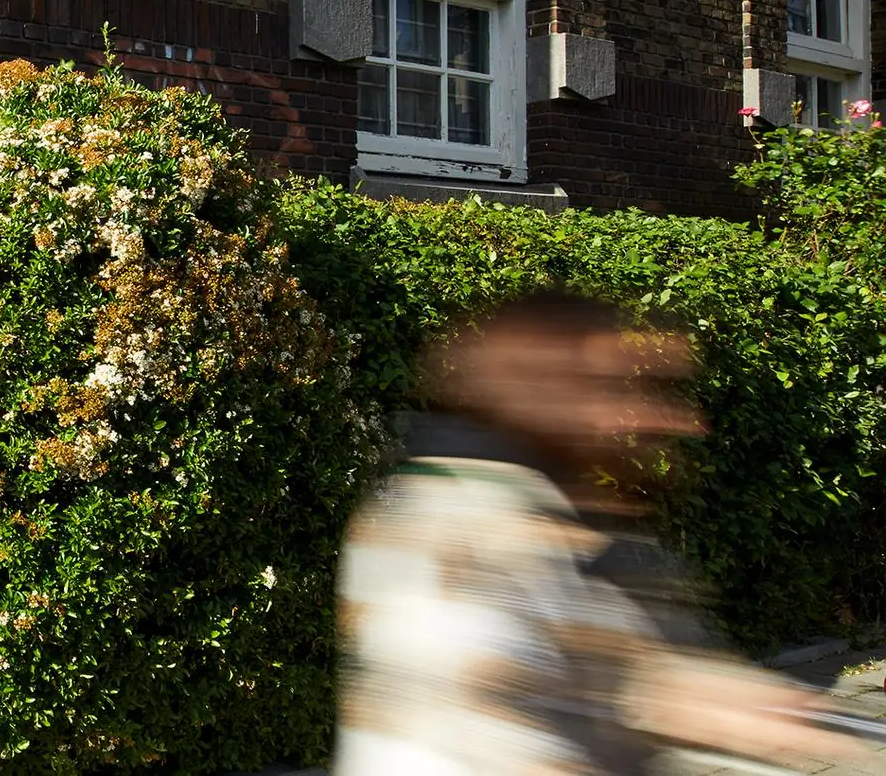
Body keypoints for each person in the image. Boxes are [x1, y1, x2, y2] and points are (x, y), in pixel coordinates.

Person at [334, 293, 874, 775]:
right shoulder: (448, 523)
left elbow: (597, 672)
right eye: (613, 388)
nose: (662, 418)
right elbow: (483, 726)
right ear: (541, 391)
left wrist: (703, 694)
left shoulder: (555, 513)